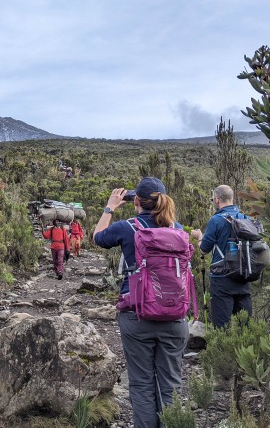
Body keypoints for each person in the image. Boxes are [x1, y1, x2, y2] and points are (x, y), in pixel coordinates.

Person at [92, 177, 188, 428]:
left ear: (137, 201)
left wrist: (110, 207)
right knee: (171, 384)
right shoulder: (178, 229)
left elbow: (98, 237)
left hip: (137, 315)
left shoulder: (128, 227)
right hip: (175, 317)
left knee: (142, 382)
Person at [191, 185, 251, 328]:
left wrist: (199, 237)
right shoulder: (246, 219)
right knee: (246, 326)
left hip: (222, 279)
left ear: (217, 200)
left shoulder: (216, 220)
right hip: (244, 277)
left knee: (222, 326)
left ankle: (222, 349)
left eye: (213, 199)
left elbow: (204, 250)